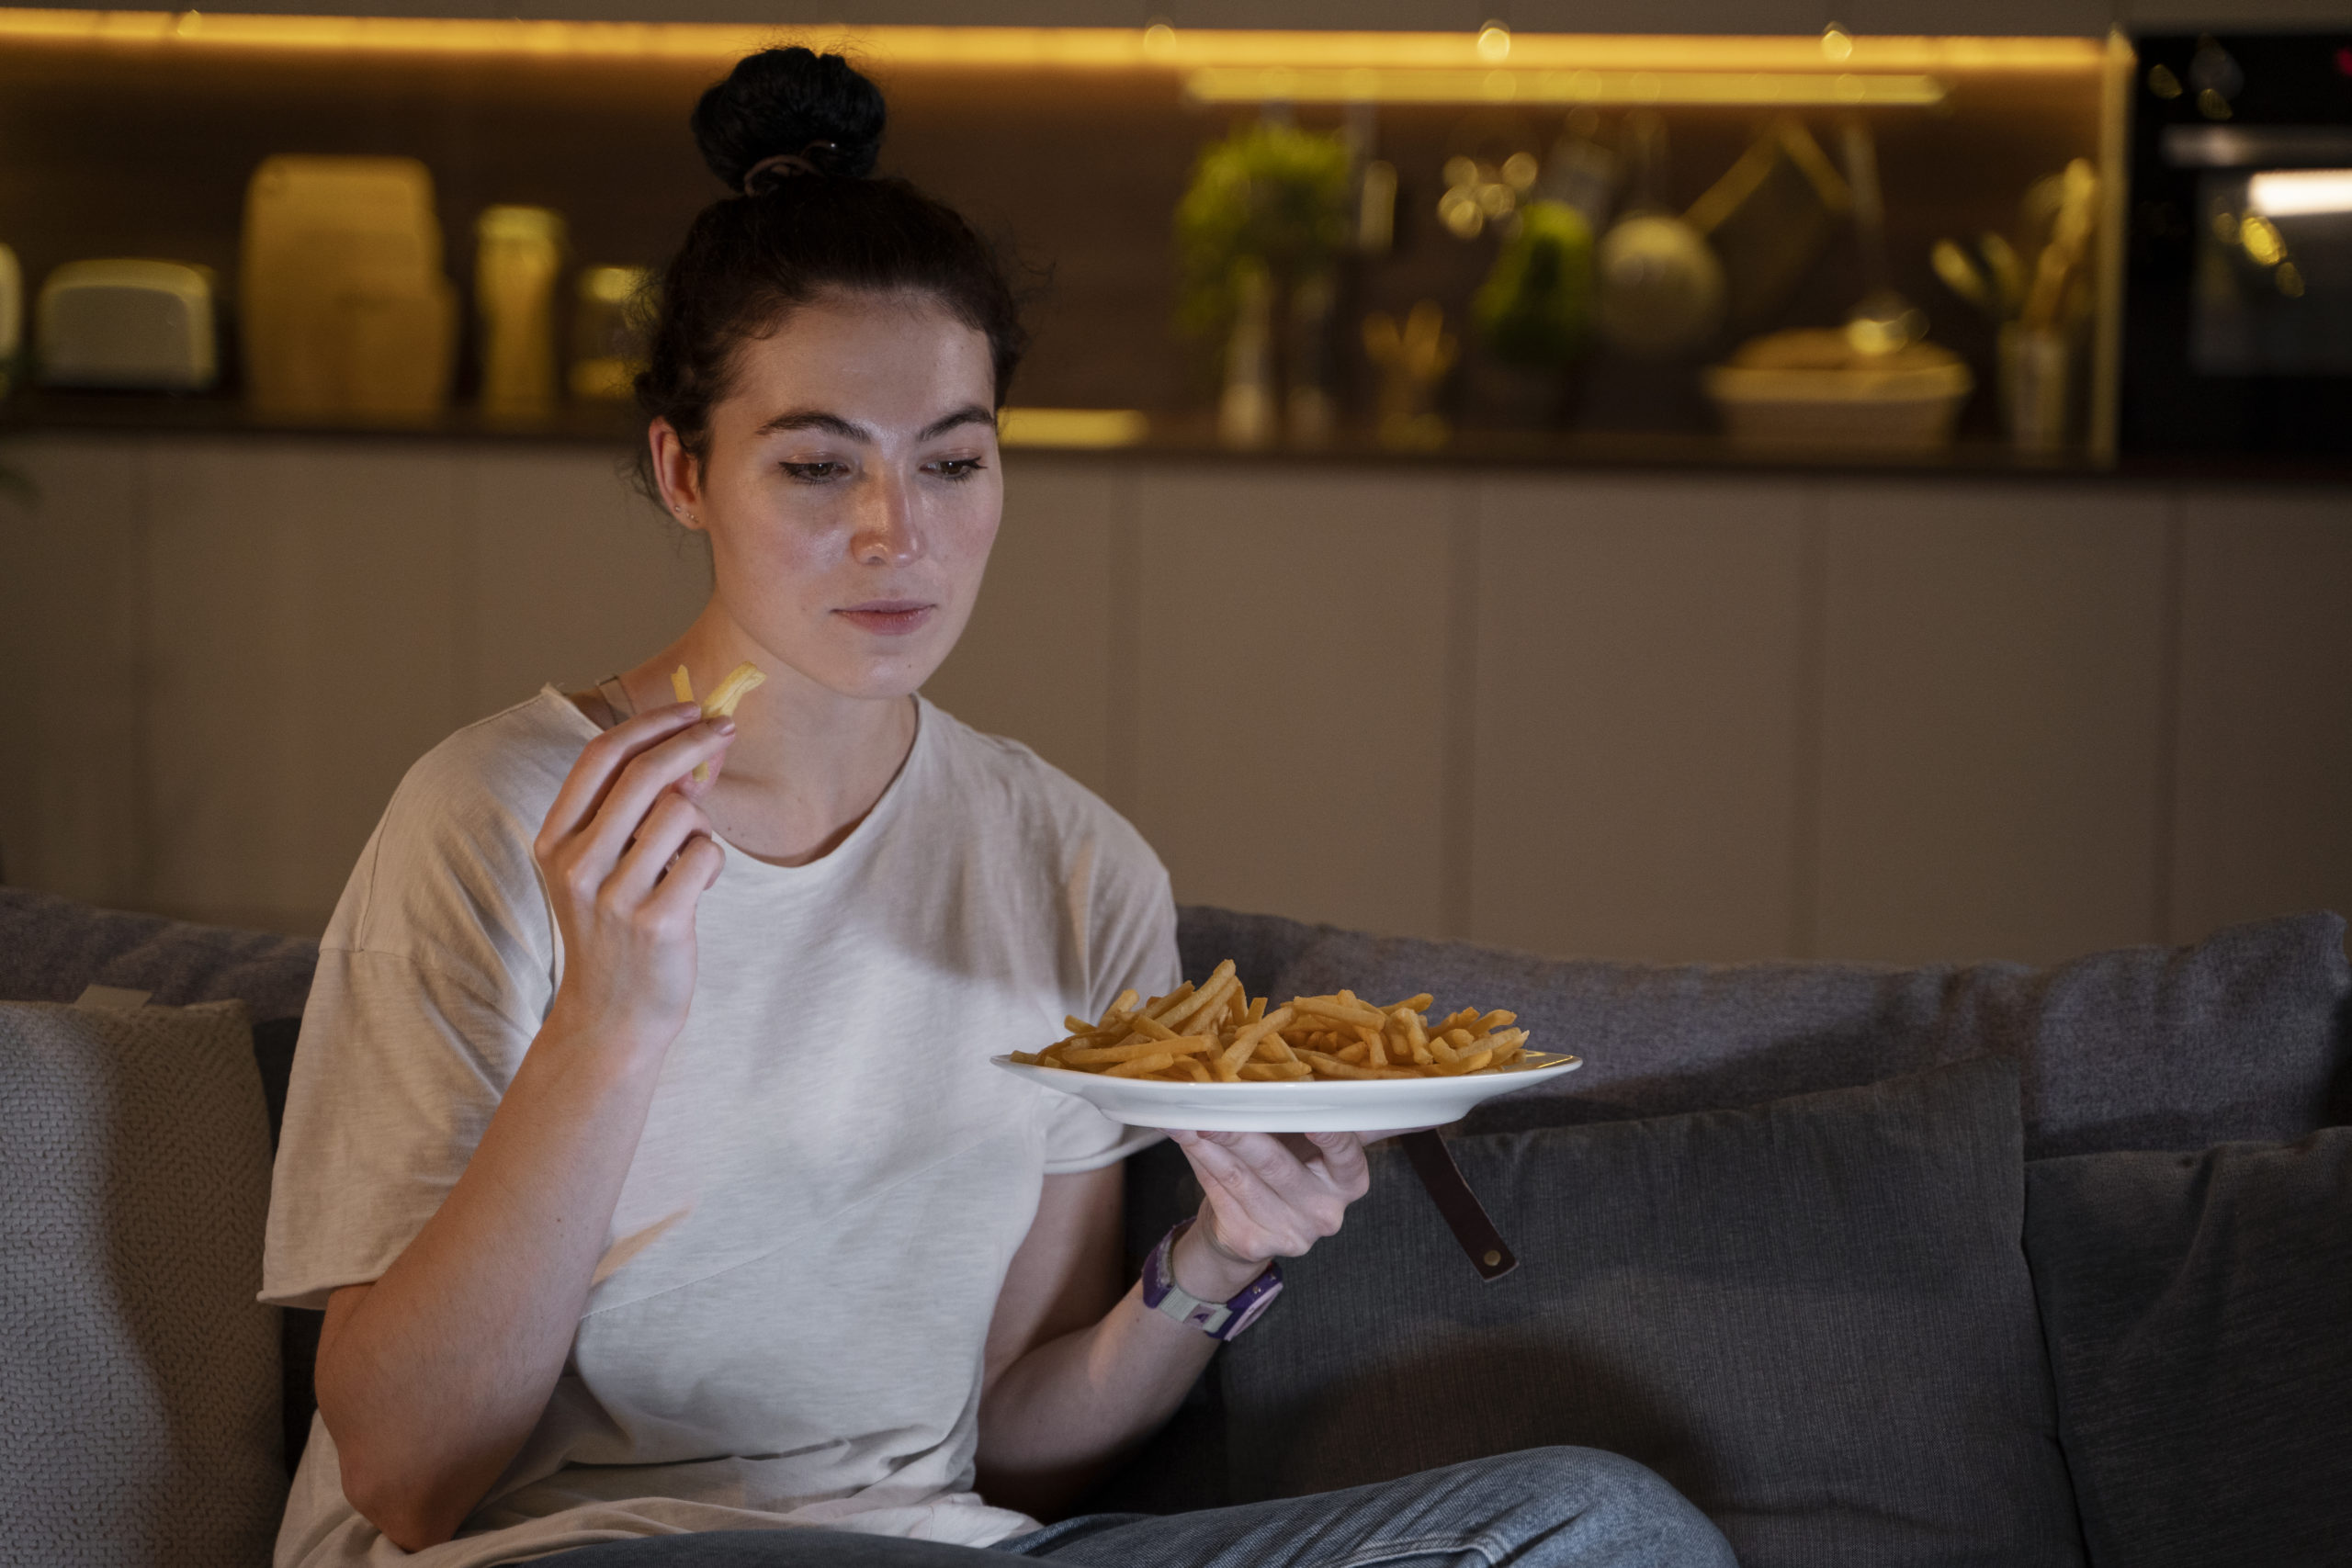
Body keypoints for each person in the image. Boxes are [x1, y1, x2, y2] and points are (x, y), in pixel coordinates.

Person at [260, 45, 1736, 1568]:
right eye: (820, 464)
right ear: (684, 472)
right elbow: (408, 1475)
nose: (899, 532)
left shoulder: (1071, 863)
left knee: (1597, 1527)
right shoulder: (493, 819)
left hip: (944, 1550)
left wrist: (1218, 1259)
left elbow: (1016, 1447)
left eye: (953, 461)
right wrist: (608, 1024)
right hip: (569, 1550)